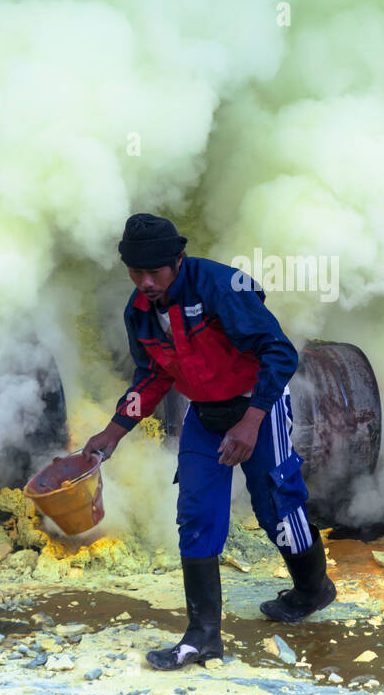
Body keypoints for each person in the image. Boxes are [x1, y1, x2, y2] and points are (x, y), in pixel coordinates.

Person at [84, 213, 336, 670]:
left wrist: (252, 420)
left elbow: (280, 352)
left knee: (278, 508)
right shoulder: (139, 313)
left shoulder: (221, 288)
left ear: (178, 260)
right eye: (134, 272)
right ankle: (202, 637)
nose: (144, 282)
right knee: (196, 514)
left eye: (154, 272)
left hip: (259, 405)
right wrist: (113, 432)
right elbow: (154, 376)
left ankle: (313, 588)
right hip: (204, 414)